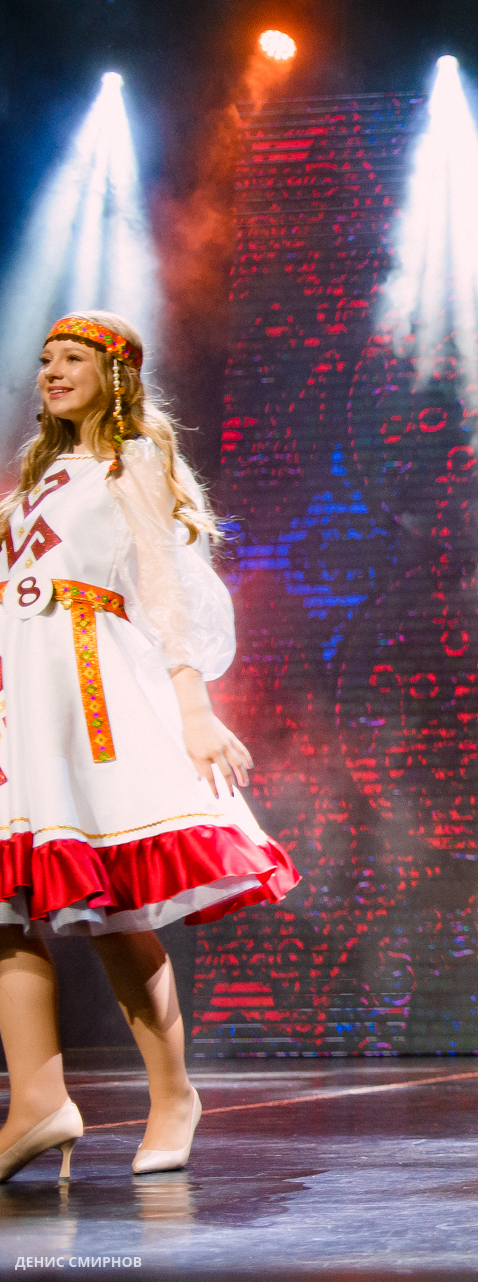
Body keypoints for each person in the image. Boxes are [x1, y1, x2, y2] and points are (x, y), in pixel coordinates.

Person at [0, 312, 298, 1183]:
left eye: (73, 358)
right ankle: (38, 1100)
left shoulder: (130, 461)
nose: (53, 371)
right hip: (22, 697)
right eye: (46, 359)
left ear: (116, 373)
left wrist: (193, 708)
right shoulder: (34, 477)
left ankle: (173, 1097)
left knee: (114, 909)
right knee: (7, 903)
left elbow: (164, 586)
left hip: (90, 690)